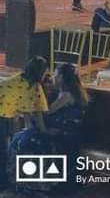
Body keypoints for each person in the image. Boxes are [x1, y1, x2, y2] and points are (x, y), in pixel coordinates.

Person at [8, 62, 88, 194]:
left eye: (55, 74)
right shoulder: (59, 93)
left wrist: (29, 104)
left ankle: (39, 184)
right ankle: (25, 181)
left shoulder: (67, 95)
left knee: (32, 142)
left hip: (65, 133)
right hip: (55, 128)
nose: (52, 77)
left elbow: (47, 112)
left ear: (62, 77)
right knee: (21, 138)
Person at [0, 57, 53, 188]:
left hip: (4, 114)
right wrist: (44, 131)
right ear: (41, 72)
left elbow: (25, 110)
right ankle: (3, 182)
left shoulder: (19, 78)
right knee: (2, 150)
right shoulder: (33, 87)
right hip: (2, 116)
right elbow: (37, 112)